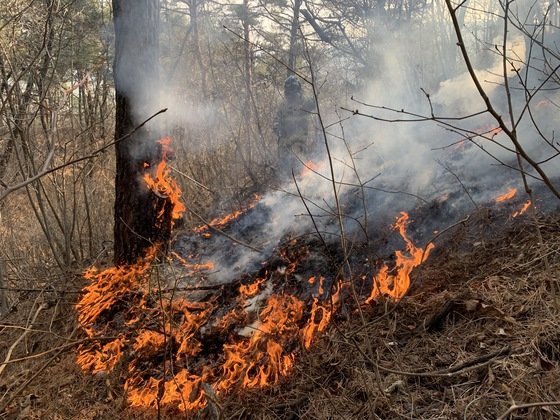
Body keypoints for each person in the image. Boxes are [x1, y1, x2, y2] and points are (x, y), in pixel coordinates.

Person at [273, 75, 316, 180]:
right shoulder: (283, 106)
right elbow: (276, 121)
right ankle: (289, 187)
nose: (292, 94)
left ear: (298, 89)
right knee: (287, 170)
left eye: (293, 89)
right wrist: (278, 128)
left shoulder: (305, 101)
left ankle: (303, 186)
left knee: (301, 168)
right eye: (289, 90)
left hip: (302, 141)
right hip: (286, 143)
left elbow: (313, 105)